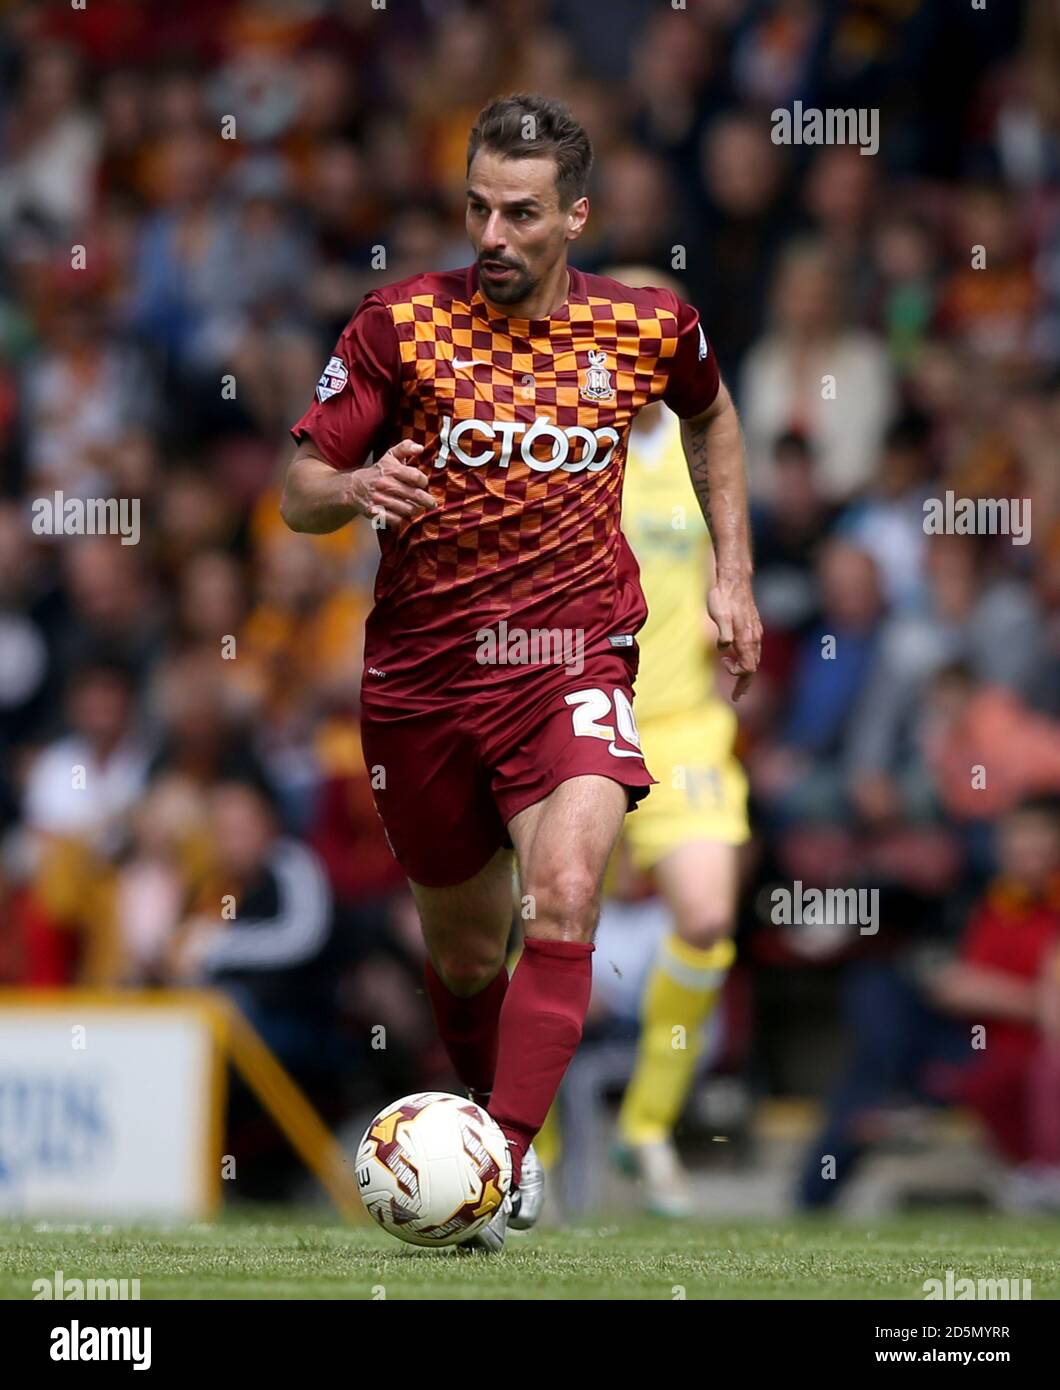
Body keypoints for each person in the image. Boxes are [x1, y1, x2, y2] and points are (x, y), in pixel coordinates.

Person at [281, 93, 761, 1248]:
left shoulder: (646, 327)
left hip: (571, 659)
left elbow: (711, 416)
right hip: (423, 685)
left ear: (575, 217)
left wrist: (732, 573)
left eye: (520, 214)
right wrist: (355, 492)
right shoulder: (399, 326)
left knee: (571, 891)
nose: (490, 236)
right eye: (477, 209)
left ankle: (499, 1159)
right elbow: (298, 489)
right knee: (459, 950)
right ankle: (496, 1142)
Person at [599, 265, 750, 1216]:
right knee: (549, 938)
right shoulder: (564, 450)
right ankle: (526, 1154)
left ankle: (646, 1128)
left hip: (684, 726)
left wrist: (723, 609)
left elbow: (727, 559)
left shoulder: (702, 452)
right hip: (574, 719)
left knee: (703, 916)